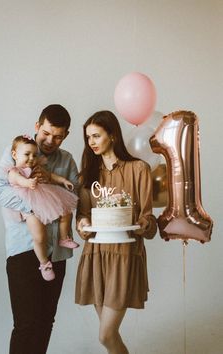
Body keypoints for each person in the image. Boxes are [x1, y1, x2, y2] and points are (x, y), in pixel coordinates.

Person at [0, 104, 79, 354]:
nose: (51, 141)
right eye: (47, 133)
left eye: (58, 136)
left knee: (45, 322)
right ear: (37, 126)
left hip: (57, 254)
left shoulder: (67, 160)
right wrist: (35, 207)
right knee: (25, 324)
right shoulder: (17, 151)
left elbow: (74, 196)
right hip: (23, 250)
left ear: (66, 135)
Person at [75, 110, 157, 354]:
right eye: (88, 137)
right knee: (109, 336)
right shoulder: (87, 176)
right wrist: (81, 224)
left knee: (106, 334)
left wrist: (144, 224)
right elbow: (83, 216)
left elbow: (148, 218)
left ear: (112, 135)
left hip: (124, 256)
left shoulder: (138, 169)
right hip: (96, 256)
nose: (91, 142)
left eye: (96, 136)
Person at [8, 134, 79, 281]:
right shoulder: (14, 171)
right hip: (29, 206)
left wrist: (64, 180)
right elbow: (18, 180)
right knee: (39, 237)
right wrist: (28, 183)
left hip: (44, 197)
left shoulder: (36, 165)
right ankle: (44, 263)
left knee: (66, 211)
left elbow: (51, 176)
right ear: (14, 154)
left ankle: (64, 237)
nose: (31, 158)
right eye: (27, 154)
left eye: (34, 155)